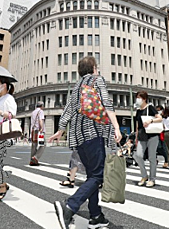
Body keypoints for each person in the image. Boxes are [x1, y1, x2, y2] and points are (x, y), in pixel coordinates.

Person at [49, 56, 121, 229]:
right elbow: (106, 103)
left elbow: (67, 110)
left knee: (92, 175)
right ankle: (70, 205)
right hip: (93, 134)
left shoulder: (76, 86)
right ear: (94, 68)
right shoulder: (97, 80)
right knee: (99, 175)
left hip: (78, 139)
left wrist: (60, 130)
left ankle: (96, 216)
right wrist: (117, 127)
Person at [132, 90, 162, 187]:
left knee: (152, 157)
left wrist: (151, 120)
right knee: (138, 155)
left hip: (152, 135)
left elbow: (160, 118)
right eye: (137, 98)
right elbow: (137, 125)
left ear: (144, 99)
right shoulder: (138, 110)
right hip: (141, 135)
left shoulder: (150, 108)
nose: (137, 100)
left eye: (139, 98)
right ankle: (144, 175)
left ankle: (152, 179)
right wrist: (135, 137)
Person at [29, 101, 46, 166]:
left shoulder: (33, 112)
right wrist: (41, 128)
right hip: (39, 131)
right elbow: (40, 120)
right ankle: (35, 157)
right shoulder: (40, 111)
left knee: (34, 145)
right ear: (42, 106)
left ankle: (32, 161)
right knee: (43, 144)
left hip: (33, 131)